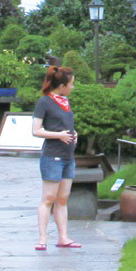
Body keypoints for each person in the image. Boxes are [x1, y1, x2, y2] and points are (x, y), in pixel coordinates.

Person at [29, 63, 82, 252]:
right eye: (71, 83)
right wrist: (58, 135)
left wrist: (72, 134)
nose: (73, 87)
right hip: (53, 157)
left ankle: (63, 237)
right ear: (62, 85)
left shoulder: (65, 102)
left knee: (63, 199)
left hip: (68, 156)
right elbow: (36, 130)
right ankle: (42, 239)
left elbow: (65, 125)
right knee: (48, 198)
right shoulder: (44, 102)